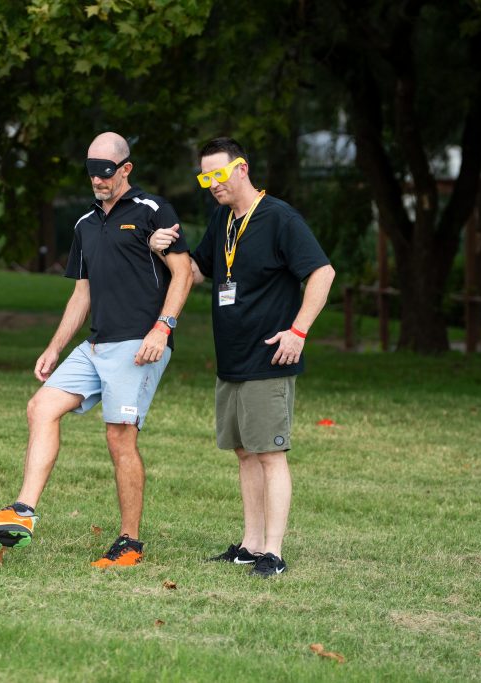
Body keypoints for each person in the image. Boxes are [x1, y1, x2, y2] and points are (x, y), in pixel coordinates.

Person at [0, 132, 194, 568]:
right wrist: (54, 347)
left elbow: (183, 274)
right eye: (91, 170)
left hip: (140, 342)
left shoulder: (152, 210)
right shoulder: (84, 223)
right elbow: (81, 294)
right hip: (96, 342)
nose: (97, 180)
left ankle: (129, 544)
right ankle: (22, 514)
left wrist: (162, 329)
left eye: (105, 172)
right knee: (41, 407)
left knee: (119, 438)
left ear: (126, 169)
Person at [150, 137, 336, 577]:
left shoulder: (279, 218)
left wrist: (298, 331)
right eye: (204, 177)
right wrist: (164, 249)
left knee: (270, 453)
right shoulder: (222, 220)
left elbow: (322, 273)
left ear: (242, 169)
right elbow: (195, 272)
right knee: (244, 452)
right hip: (231, 359)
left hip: (269, 357)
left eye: (218, 174)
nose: (211, 183)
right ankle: (250, 545)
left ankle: (273, 552)